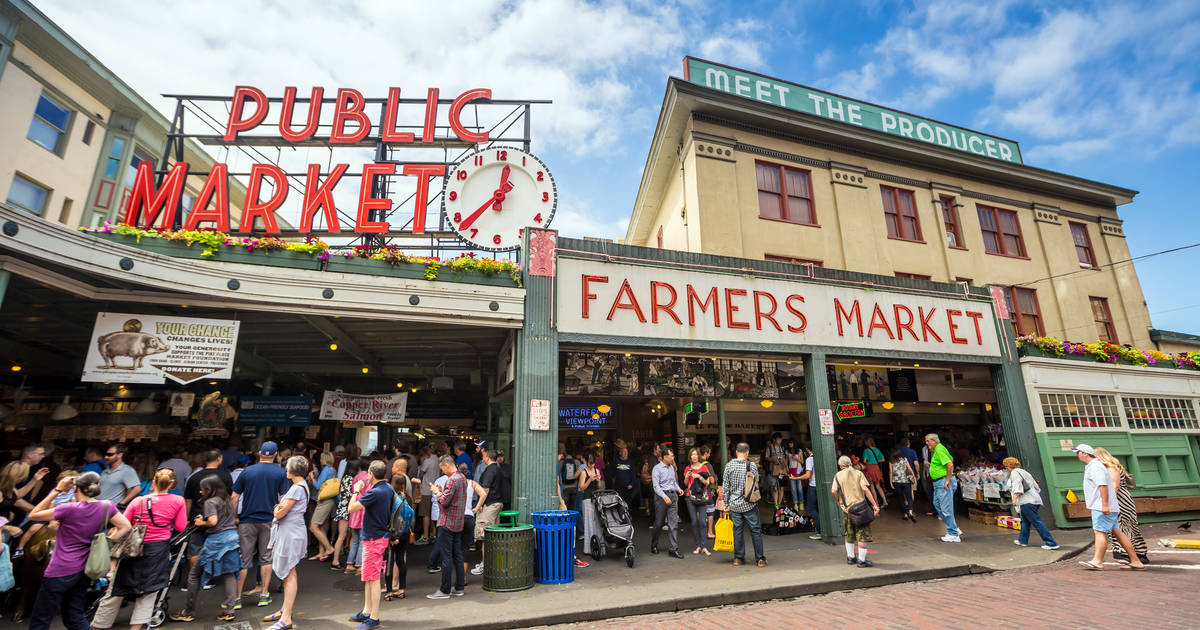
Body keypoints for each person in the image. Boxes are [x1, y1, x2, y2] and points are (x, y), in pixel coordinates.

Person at [27, 471, 132, 630]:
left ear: (75, 488)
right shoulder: (106, 506)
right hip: (84, 569)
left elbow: (33, 515)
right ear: (97, 487)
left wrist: (57, 490)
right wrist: (106, 543)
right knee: (74, 617)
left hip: (59, 569)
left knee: (40, 620)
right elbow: (126, 526)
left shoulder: (68, 509)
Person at [93, 468, 188, 630]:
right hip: (158, 551)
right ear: (171, 484)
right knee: (148, 594)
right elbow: (180, 526)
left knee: (116, 590)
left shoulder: (139, 501)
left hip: (133, 549)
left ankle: (97, 626)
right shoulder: (178, 501)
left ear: (153, 483)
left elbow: (124, 523)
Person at [171, 475, 241, 623]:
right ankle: (229, 611)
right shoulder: (226, 499)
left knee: (194, 575)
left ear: (210, 490)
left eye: (203, 490)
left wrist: (200, 522)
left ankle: (189, 611)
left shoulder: (210, 502)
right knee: (229, 574)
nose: (201, 492)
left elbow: (213, 521)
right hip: (232, 538)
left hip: (216, 541)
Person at [232, 441, 290, 607]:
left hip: (247, 520)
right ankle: (264, 595)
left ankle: (236, 598)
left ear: (259, 453)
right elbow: (283, 498)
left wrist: (235, 517)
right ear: (276, 454)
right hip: (269, 520)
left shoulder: (247, 471)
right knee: (266, 558)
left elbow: (234, 497)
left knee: (243, 559)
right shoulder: (280, 473)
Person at [253, 456, 307, 630]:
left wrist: (277, 508)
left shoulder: (297, 489)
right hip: (292, 531)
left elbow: (279, 513)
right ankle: (284, 610)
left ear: (291, 471)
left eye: (287, 467)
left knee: (289, 573)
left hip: (290, 533)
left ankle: (286, 617)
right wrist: (278, 509)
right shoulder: (301, 486)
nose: (285, 470)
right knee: (289, 572)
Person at [1074, 444, 1145, 571]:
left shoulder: (1095, 467)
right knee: (1117, 532)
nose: (1076, 454)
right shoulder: (1095, 466)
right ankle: (1135, 560)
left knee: (1099, 532)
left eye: (1078, 452)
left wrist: (1104, 505)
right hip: (1104, 505)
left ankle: (1097, 561)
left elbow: (1102, 485)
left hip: (1100, 505)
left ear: (1085, 453)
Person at [347, 460, 392, 630]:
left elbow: (351, 508)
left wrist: (356, 490)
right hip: (378, 536)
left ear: (371, 474)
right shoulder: (387, 488)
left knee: (373, 579)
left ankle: (374, 617)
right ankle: (367, 611)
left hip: (374, 538)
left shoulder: (375, 492)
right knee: (368, 577)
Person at [182, 449, 232, 585]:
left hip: (197, 518)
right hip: (219, 518)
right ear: (219, 459)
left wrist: (187, 518)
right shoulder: (225, 476)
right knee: (220, 549)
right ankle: (214, 577)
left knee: (195, 550)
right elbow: (230, 497)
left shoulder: (194, 477)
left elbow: (188, 500)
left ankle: (194, 579)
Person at [1093, 447, 1148, 565]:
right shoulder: (1110, 467)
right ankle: (1134, 555)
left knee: (1123, 527)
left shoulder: (1111, 468)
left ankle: (1132, 555)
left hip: (1120, 502)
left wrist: (1106, 503)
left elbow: (1115, 487)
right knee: (1121, 528)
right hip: (1119, 501)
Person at [719, 443, 766, 567]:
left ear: (736, 452)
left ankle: (738, 558)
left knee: (737, 531)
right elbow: (757, 481)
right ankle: (760, 559)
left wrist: (727, 503)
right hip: (749, 504)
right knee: (755, 530)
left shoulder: (728, 466)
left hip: (734, 505)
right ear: (747, 453)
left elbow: (726, 487)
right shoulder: (752, 465)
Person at [427, 456, 467, 599]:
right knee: (458, 555)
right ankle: (459, 587)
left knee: (446, 557)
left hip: (447, 522)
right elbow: (453, 498)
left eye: (442, 468)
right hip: (458, 522)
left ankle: (444, 590)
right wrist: (442, 490)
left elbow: (444, 501)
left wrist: (436, 492)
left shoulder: (452, 480)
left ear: (446, 465)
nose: (442, 471)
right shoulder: (462, 478)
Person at [832, 455, 879, 568]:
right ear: (850, 463)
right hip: (861, 508)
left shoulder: (838, 475)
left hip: (847, 509)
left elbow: (833, 490)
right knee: (862, 534)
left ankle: (851, 557)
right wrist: (874, 505)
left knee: (849, 534)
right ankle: (862, 560)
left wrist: (838, 502)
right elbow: (865, 489)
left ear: (840, 465)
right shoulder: (858, 473)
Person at [1003, 457, 1059, 550]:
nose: (1006, 468)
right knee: (1025, 521)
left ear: (1008, 466)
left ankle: (1051, 543)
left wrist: (1014, 499)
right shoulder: (1024, 472)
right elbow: (1036, 487)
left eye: (1006, 466)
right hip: (1034, 500)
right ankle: (1022, 540)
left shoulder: (1014, 473)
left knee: (1036, 522)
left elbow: (1018, 487)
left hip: (1026, 501)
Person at [470, 449, 504, 576]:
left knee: (485, 536)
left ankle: (486, 565)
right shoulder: (498, 468)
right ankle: (491, 563)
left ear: (487, 457)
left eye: (484, 455)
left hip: (489, 505)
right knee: (492, 536)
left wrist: (478, 506)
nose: (482, 457)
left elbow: (484, 491)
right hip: (496, 504)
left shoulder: (490, 470)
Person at [383, 472, 413, 601]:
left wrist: (392, 537)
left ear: (393, 483)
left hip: (393, 534)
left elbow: (387, 518)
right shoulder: (408, 497)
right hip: (405, 533)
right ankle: (401, 589)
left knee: (389, 562)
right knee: (401, 561)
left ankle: (389, 591)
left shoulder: (391, 497)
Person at [925, 434, 961, 542]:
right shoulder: (939, 449)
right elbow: (951, 459)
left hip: (942, 482)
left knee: (946, 508)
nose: (926, 443)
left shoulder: (939, 450)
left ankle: (953, 533)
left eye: (928, 441)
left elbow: (949, 464)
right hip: (940, 482)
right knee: (937, 505)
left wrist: (947, 479)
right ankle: (954, 528)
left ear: (934, 441)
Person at [650, 449, 683, 558]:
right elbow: (656, 486)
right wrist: (664, 497)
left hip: (672, 496)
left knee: (673, 523)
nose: (673, 458)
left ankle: (673, 549)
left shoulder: (671, 468)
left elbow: (673, 482)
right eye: (671, 456)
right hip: (661, 497)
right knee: (659, 523)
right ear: (665, 457)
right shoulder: (657, 469)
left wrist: (678, 489)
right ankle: (654, 544)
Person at [683, 447, 715, 556]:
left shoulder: (704, 467)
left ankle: (704, 546)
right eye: (692, 455)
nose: (694, 457)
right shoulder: (688, 468)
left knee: (702, 521)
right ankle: (698, 546)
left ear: (699, 456)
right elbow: (686, 483)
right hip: (690, 497)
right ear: (690, 457)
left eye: (696, 455)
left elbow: (708, 482)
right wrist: (687, 477)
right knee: (694, 522)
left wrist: (699, 477)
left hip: (702, 497)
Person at [332, 458, 362, 569]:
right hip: (347, 508)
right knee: (345, 536)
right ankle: (337, 561)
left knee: (345, 536)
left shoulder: (345, 477)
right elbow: (349, 494)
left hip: (344, 508)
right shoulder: (350, 479)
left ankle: (347, 560)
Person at [307, 451, 336, 561]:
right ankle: (321, 552)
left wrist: (312, 477)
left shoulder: (325, 470)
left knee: (313, 527)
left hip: (324, 500)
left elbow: (318, 485)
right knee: (322, 527)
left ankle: (329, 548)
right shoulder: (333, 469)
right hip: (331, 499)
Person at [345, 459, 371, 575]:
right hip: (363, 511)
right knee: (362, 541)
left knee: (355, 539)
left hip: (354, 510)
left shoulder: (356, 477)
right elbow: (369, 495)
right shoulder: (369, 478)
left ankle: (349, 564)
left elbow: (353, 491)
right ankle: (359, 566)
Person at [99, 443, 142, 509]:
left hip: (111, 511)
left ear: (120, 455)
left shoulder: (126, 470)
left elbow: (137, 488)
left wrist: (121, 503)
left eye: (110, 455)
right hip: (98, 508)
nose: (106, 457)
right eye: (106, 455)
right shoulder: (105, 471)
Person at [416, 448, 438, 544]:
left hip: (426, 490)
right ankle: (433, 534)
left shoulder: (427, 461)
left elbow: (420, 474)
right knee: (434, 513)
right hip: (436, 488)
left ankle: (425, 536)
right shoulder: (439, 460)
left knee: (425, 514)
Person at [888, 449, 917, 522]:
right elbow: (909, 468)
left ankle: (905, 514)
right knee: (909, 497)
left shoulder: (891, 461)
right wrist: (914, 477)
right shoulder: (904, 459)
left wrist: (891, 482)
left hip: (897, 482)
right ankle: (910, 512)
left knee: (901, 498)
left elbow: (891, 472)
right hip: (906, 481)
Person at [800, 445, 821, 540]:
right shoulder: (821, 456)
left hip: (813, 486)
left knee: (812, 509)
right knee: (821, 509)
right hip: (822, 487)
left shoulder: (809, 459)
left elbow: (808, 475)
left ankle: (820, 531)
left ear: (808, 449)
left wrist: (796, 478)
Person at [860, 438, 888, 509]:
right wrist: (875, 461)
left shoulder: (866, 450)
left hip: (869, 468)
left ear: (867, 443)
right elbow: (883, 459)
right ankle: (885, 501)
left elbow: (865, 461)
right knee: (878, 486)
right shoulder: (877, 449)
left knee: (872, 486)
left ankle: (876, 504)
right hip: (876, 468)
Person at [611, 444, 638, 515]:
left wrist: (631, 484)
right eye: (624, 452)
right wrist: (613, 482)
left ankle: (626, 516)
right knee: (619, 503)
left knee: (627, 503)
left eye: (626, 452)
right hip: (618, 487)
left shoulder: (630, 462)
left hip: (628, 487)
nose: (626, 454)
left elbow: (633, 474)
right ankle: (621, 516)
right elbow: (612, 473)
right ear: (620, 453)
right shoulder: (616, 461)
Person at [763, 433, 787, 512]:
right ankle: (776, 504)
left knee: (781, 487)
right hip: (773, 470)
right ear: (774, 439)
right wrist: (773, 460)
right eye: (778, 439)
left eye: (780, 439)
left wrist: (786, 467)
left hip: (782, 470)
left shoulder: (782, 448)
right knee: (774, 487)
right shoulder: (769, 448)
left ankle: (779, 504)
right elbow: (766, 457)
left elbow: (783, 458)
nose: (780, 441)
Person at [785, 439, 805, 510]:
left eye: (791, 443)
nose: (789, 444)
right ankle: (795, 504)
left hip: (798, 471)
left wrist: (796, 458)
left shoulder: (799, 451)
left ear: (794, 443)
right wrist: (787, 467)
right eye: (789, 443)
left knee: (799, 488)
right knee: (793, 489)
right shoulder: (787, 451)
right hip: (791, 471)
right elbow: (786, 461)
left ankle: (801, 503)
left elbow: (802, 462)